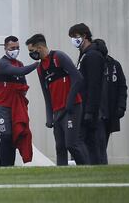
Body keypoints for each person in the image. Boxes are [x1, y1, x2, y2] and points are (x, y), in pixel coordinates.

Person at [26, 34, 89, 165]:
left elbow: (78, 78)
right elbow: (46, 94)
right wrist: (49, 117)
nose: (31, 54)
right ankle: (62, 177)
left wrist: (70, 102)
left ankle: (87, 169)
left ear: (40, 47)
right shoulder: (40, 69)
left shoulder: (58, 57)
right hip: (57, 112)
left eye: (32, 51)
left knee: (71, 144)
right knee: (60, 147)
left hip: (72, 108)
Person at [0, 36, 37, 166]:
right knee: (5, 137)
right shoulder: (2, 64)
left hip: (15, 107)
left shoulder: (19, 63)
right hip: (2, 107)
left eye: (17, 48)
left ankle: (10, 167)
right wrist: (37, 64)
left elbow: (23, 83)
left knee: (14, 137)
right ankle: (4, 167)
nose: (15, 50)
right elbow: (19, 72)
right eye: (12, 48)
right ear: (5, 48)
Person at [68, 23, 105, 165]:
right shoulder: (83, 55)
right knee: (88, 141)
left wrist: (89, 111)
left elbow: (94, 86)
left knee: (85, 141)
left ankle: (90, 166)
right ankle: (91, 166)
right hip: (82, 105)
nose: (73, 40)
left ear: (84, 36)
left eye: (75, 36)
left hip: (89, 108)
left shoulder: (93, 56)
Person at [93, 39, 127, 164]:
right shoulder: (90, 64)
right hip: (97, 114)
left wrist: (121, 107)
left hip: (109, 113)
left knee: (102, 143)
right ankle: (101, 166)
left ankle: (100, 167)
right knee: (100, 143)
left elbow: (122, 87)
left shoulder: (114, 65)